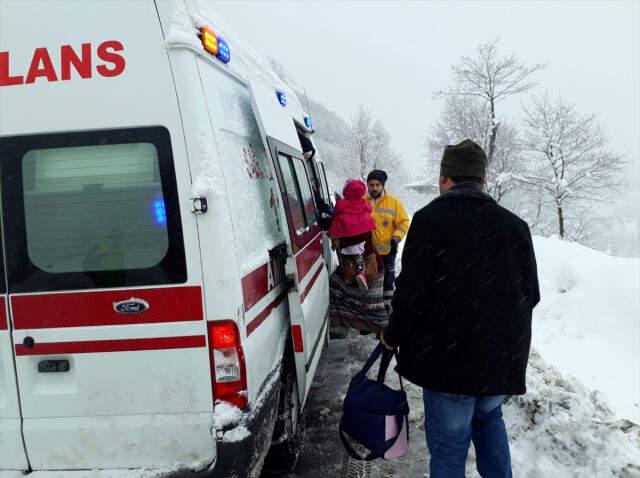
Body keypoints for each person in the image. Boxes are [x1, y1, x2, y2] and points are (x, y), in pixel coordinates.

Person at [380, 139, 540, 477]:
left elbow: (411, 294)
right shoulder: (514, 226)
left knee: (451, 449)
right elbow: (531, 294)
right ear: (483, 180)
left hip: (448, 363)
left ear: (444, 178)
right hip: (497, 360)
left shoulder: (430, 220)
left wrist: (392, 336)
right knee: (489, 420)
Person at [365, 170, 410, 308]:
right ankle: (369, 312)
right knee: (368, 281)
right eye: (371, 184)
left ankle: (387, 309)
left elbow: (403, 222)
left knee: (387, 281)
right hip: (366, 252)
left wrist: (396, 237)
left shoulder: (394, 202)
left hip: (387, 251)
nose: (374, 188)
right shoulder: (361, 202)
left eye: (378, 185)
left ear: (383, 185)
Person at [327, 179, 376, 291]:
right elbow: (369, 209)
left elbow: (335, 213)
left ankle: (348, 275)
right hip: (362, 231)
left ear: (346, 191)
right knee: (359, 253)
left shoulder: (341, 203)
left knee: (344, 253)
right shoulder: (363, 202)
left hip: (346, 232)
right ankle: (361, 272)